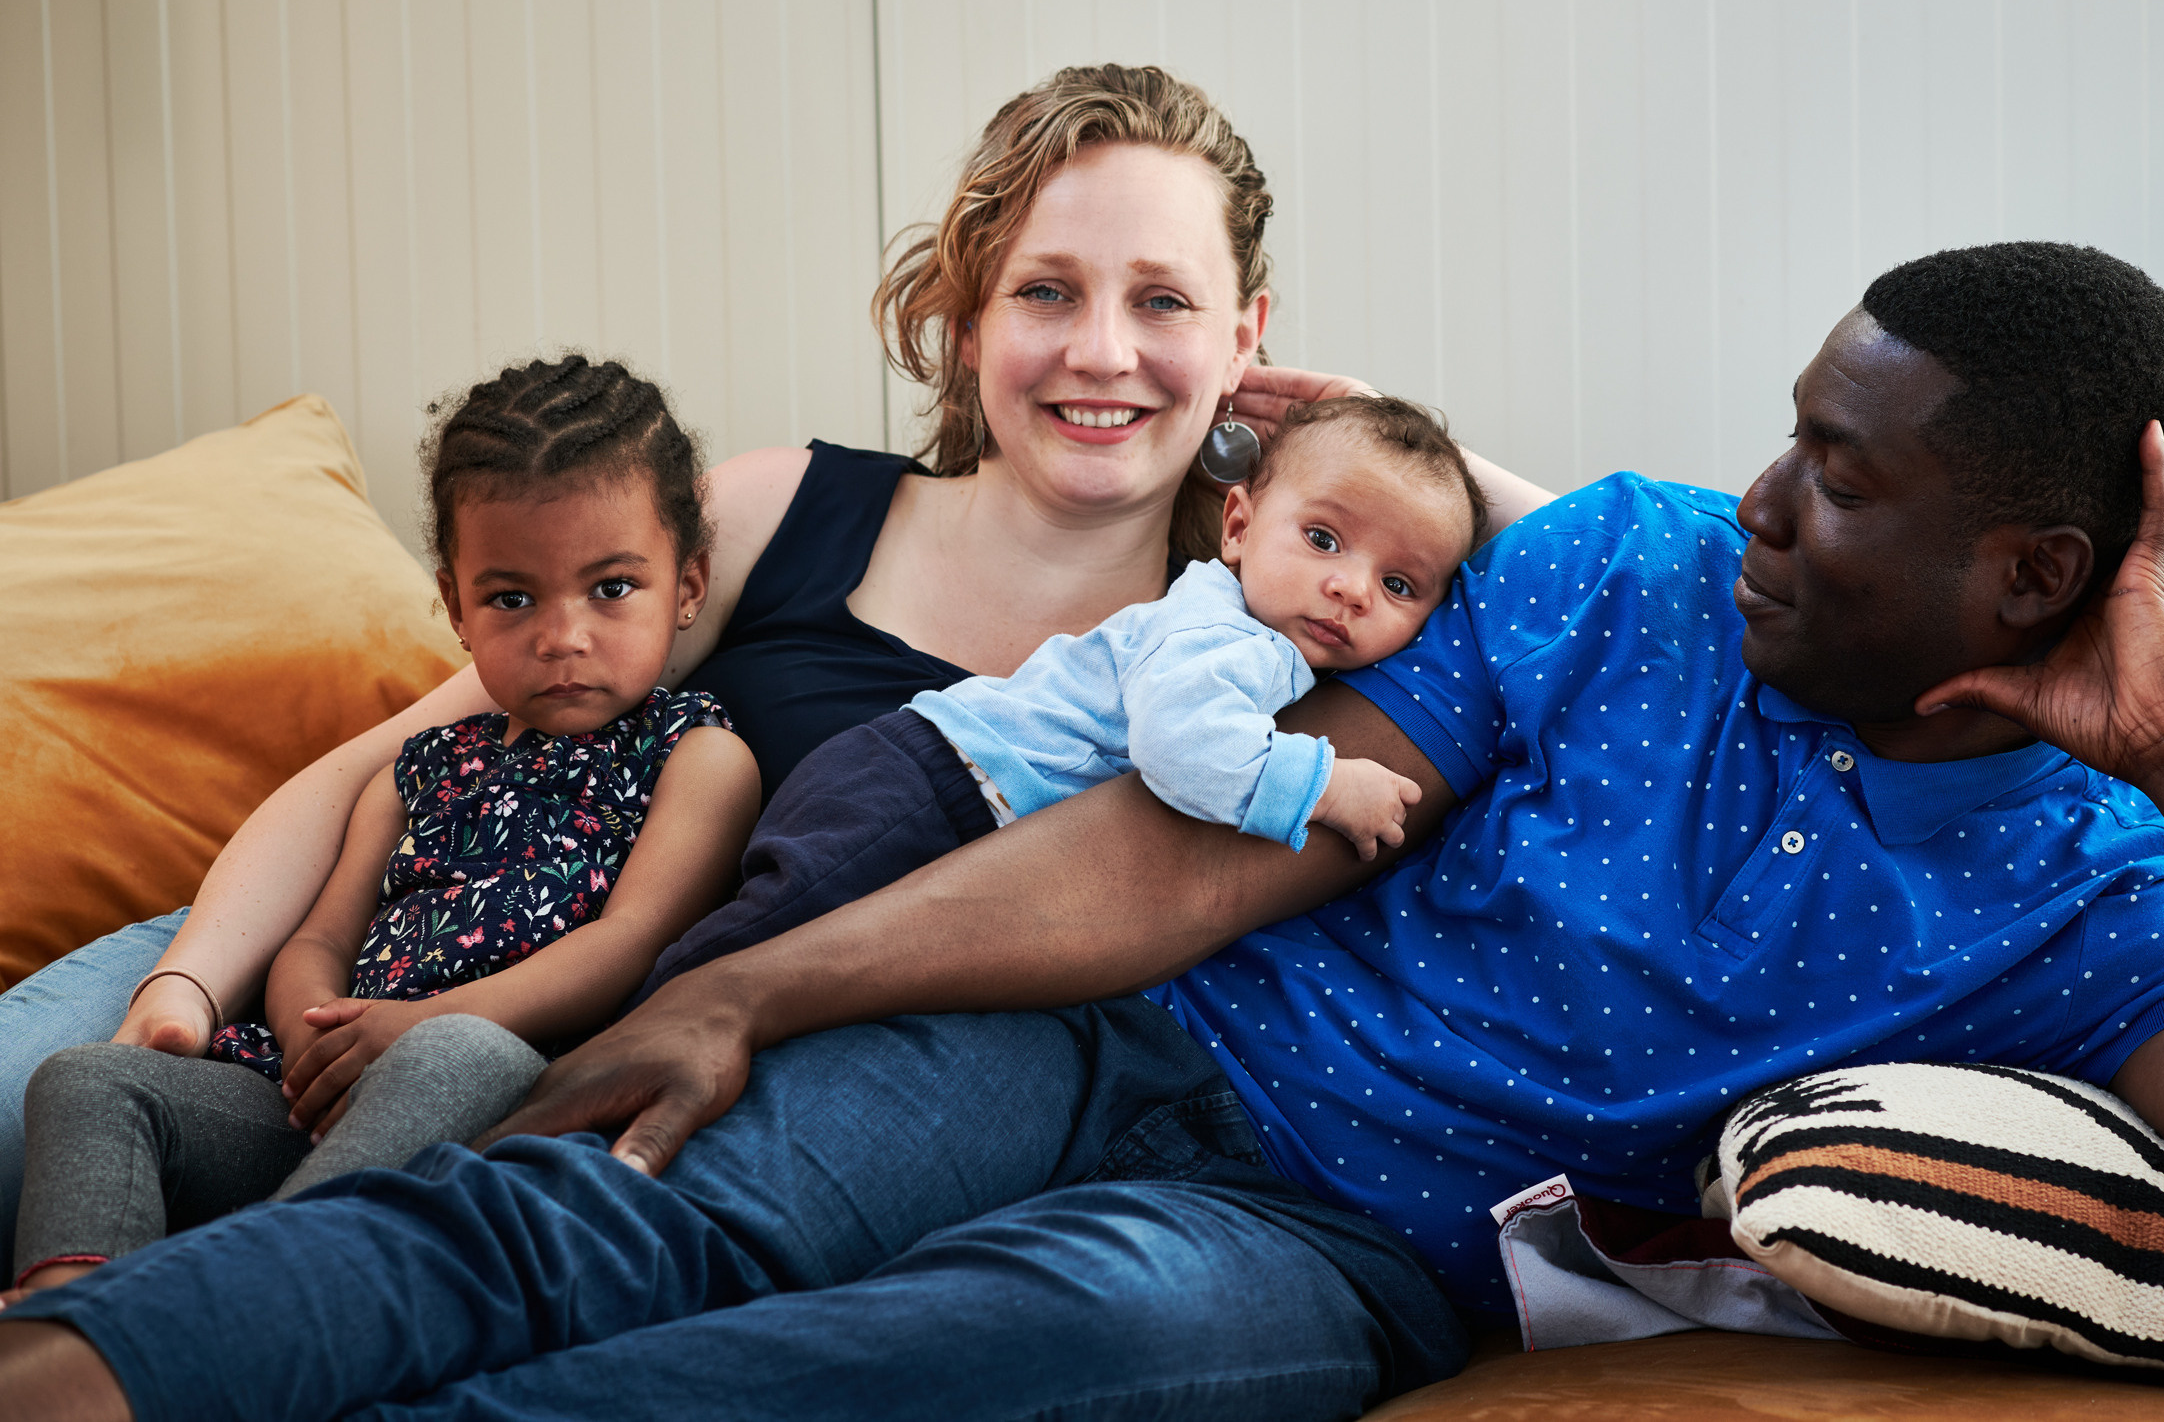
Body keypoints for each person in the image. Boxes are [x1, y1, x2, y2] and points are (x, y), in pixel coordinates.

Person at [13, 241, 2164, 1422]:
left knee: (849, 1374)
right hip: (1122, 1032)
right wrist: (750, 985)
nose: (1761, 492)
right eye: (1787, 432)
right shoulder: (1628, 561)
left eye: (1838, 477)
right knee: (599, 1198)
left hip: (1341, 1240)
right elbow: (1205, 849)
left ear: (2031, 575)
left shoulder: (2086, 886)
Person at [0, 64, 1554, 1248]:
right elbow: (375, 769)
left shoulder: (1281, 654)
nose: (1101, 349)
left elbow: (1619, 599)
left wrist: (1389, 440)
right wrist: (188, 984)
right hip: (335, 943)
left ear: (1245, 336)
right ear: (967, 322)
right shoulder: (775, 511)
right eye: (1046, 291)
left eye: (1164, 302)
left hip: (530, 1075)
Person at [5, 357, 760, 1300]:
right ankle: (63, 1314)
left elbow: (628, 943)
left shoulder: (697, 756)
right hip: (320, 1090)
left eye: (611, 587)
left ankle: (229, 1303)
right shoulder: (418, 771)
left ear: (687, 586)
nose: (562, 635)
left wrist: (417, 1025)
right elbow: (320, 936)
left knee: (457, 1053)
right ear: (456, 607)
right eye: (512, 598)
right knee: (84, 1078)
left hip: (503, 1084)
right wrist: (314, 1030)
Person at [635, 394, 1487, 1003]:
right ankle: (631, 1033)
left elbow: (1530, 579)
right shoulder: (1224, 634)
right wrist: (1325, 784)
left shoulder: (1261, 638)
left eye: (1399, 583)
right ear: (1238, 526)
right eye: (1324, 538)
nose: (1350, 588)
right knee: (763, 941)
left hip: (950, 789)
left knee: (819, 965)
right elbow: (1184, 746)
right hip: (928, 784)